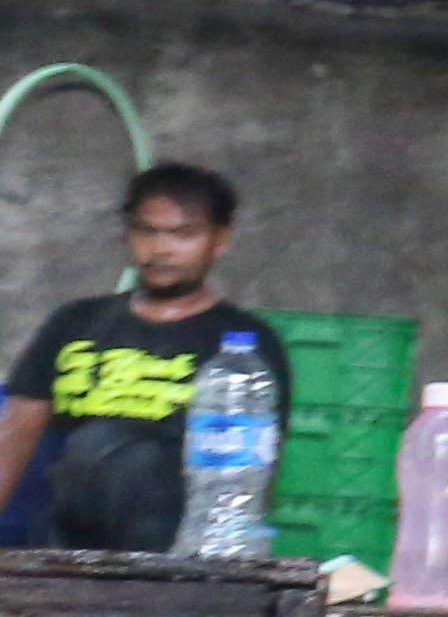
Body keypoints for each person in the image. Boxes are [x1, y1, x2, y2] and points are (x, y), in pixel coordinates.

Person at [0, 164, 277, 555]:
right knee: (91, 447)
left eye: (183, 234)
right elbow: (13, 440)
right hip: (65, 544)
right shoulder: (75, 323)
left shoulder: (244, 349)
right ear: (126, 234)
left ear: (220, 239)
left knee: (134, 460)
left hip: (174, 552)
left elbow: (250, 480)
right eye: (146, 231)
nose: (159, 249)